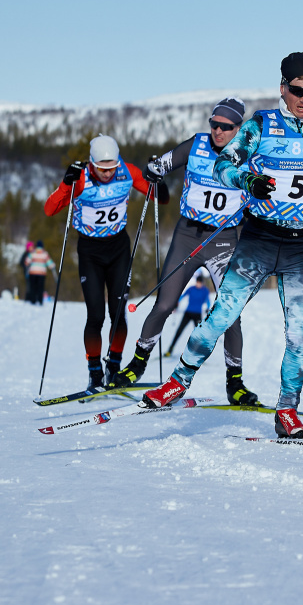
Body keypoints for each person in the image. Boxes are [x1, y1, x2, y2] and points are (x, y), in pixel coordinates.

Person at [139, 52, 303, 439]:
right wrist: (247, 181)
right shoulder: (262, 125)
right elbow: (225, 165)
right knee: (223, 314)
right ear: (283, 89)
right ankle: (178, 381)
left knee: (300, 332)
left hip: (301, 245)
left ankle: (287, 410)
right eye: (298, 90)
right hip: (259, 237)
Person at [108, 97, 259, 405]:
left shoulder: (249, 154)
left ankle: (235, 383)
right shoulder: (196, 145)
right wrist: (153, 170)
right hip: (188, 235)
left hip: (223, 240)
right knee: (164, 304)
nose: (218, 131)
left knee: (231, 314)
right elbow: (160, 165)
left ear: (238, 128)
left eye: (226, 127)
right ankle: (137, 365)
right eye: (214, 124)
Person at [44, 135, 169, 390]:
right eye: (101, 168)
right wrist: (66, 185)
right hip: (90, 251)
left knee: (118, 312)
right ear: (91, 164)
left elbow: (162, 198)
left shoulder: (127, 172)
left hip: (118, 249)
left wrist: (157, 177)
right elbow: (50, 208)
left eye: (111, 167)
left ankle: (113, 365)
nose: (107, 173)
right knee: (96, 315)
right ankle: (94, 371)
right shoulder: (81, 178)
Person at [164, 274, 211, 357]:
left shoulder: (205, 291)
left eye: (200, 283)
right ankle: (170, 350)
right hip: (188, 313)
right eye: (197, 282)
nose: (198, 284)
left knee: (199, 334)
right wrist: (176, 303)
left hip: (197, 315)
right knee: (179, 331)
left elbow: (208, 300)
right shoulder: (191, 289)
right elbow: (182, 296)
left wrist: (207, 308)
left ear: (202, 283)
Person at [24, 240, 55, 305]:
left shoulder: (32, 253)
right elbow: (50, 264)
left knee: (33, 287)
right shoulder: (45, 254)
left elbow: (27, 262)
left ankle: (33, 300)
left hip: (32, 272)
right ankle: (40, 301)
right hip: (41, 273)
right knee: (40, 287)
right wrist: (52, 266)